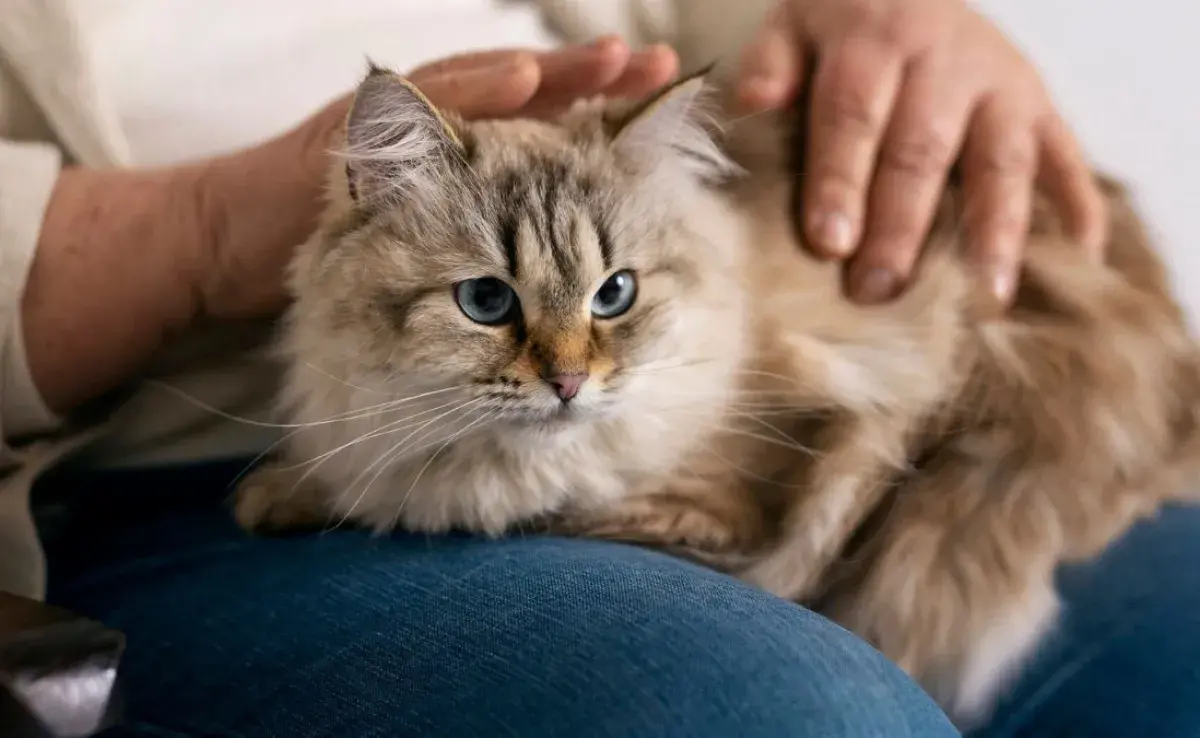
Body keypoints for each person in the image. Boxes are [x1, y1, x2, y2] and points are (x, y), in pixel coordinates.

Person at [0, 0, 1195, 736]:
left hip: (667, 242)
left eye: (602, 313)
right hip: (172, 475)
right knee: (798, 718)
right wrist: (199, 233)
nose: (566, 365)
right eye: (495, 311)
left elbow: (709, 43)